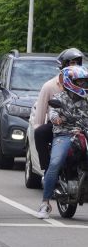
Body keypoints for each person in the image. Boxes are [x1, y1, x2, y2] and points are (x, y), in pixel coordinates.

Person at [37, 66, 88, 219]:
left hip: (84, 133)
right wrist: (56, 119)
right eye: (80, 82)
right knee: (55, 163)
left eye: (85, 82)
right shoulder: (59, 98)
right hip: (64, 134)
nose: (83, 85)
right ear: (69, 82)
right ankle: (45, 203)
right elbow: (52, 112)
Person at [32, 48, 83, 171]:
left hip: (81, 124)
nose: (74, 66)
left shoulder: (84, 84)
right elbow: (39, 120)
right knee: (39, 132)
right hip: (58, 125)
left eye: (77, 63)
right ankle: (48, 170)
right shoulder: (49, 86)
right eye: (72, 63)